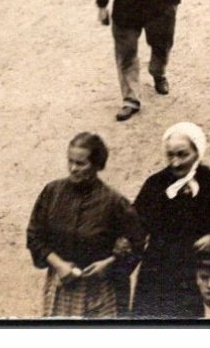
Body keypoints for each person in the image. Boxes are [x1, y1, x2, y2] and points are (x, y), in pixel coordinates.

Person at [130, 122, 210, 318]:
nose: (175, 162)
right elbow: (136, 224)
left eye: (183, 154)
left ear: (198, 152)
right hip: (162, 269)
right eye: (170, 155)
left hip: (208, 267)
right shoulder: (155, 185)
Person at [25, 132, 144, 317]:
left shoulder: (114, 202)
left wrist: (108, 264)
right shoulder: (52, 193)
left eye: (81, 164)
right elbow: (35, 235)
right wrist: (59, 265)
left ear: (97, 165)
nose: (73, 168)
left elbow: (136, 243)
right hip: (61, 284)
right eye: (70, 161)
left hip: (100, 292)